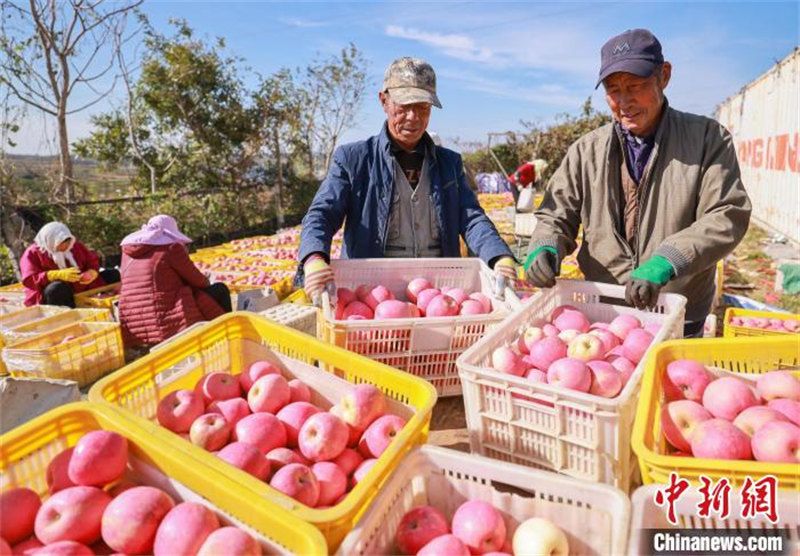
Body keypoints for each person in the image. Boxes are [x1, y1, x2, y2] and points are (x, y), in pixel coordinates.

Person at [524, 29, 751, 338]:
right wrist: (545, 244)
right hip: (606, 310)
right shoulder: (586, 150)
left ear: (664, 76)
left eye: (636, 85)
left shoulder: (707, 139)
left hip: (676, 311)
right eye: (613, 89)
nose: (624, 101)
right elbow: (555, 214)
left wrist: (668, 259)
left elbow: (727, 214)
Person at [298, 57, 518, 297]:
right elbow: (322, 213)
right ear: (384, 101)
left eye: (423, 107)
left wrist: (499, 256)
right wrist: (314, 257)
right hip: (372, 294)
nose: (413, 117)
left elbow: (471, 218)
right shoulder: (354, 159)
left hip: (438, 293)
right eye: (404, 105)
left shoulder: (449, 163)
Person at [118, 215, 232, 348]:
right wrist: (205, 279)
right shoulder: (170, 248)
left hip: (132, 322)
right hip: (164, 319)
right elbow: (198, 281)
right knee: (219, 289)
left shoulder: (127, 253)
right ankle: (228, 329)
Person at [20, 222, 119, 307]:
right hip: (56, 293)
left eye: (67, 243)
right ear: (50, 241)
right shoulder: (33, 253)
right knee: (56, 288)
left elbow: (92, 261)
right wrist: (55, 275)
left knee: (113, 274)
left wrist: (92, 272)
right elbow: (30, 279)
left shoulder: (75, 246)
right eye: (61, 243)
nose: (65, 246)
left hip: (81, 286)